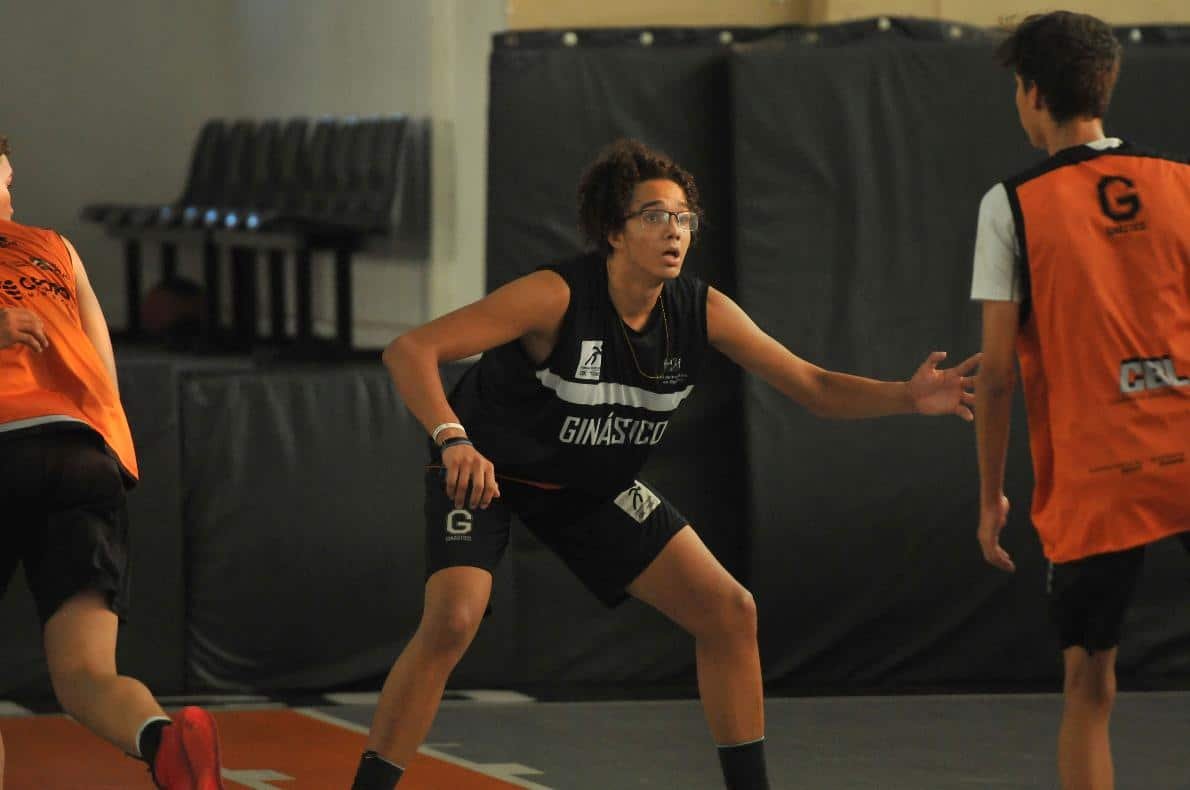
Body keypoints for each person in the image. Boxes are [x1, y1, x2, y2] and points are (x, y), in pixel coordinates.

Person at [356, 138, 979, 790]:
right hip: (486, 469)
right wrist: (454, 439)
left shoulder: (700, 310)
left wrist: (906, 397)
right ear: (613, 232)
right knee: (453, 619)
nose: (674, 230)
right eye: (655, 215)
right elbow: (410, 350)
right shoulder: (554, 296)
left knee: (730, 612)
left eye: (683, 217)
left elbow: (812, 386)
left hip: (589, 485)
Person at [971, 12, 1190, 790]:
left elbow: (995, 376)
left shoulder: (1013, 203)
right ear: (1106, 85)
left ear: (1030, 93)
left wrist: (992, 493)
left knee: (1089, 687)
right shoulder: (1181, 184)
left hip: (1101, 474)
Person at [0, 136, 226, 789]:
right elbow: (103, 372)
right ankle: (160, 741)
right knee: (86, 674)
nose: (12, 197)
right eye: (7, 182)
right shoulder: (57, 249)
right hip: (82, 453)